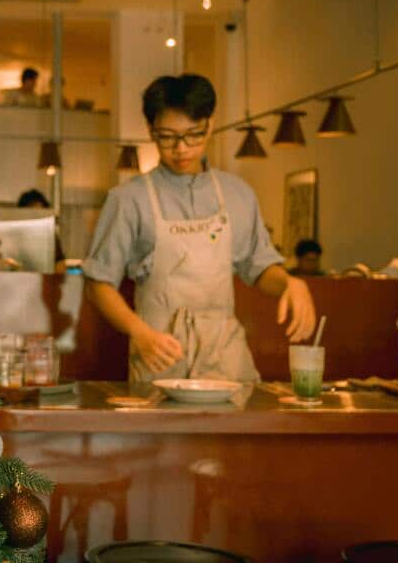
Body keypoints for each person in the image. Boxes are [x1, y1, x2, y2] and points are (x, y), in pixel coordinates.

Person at [82, 74, 318, 382]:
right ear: (151, 131)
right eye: (166, 137)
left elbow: (258, 268)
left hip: (226, 359)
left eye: (193, 134)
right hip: (160, 355)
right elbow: (98, 283)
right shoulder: (128, 199)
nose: (181, 148)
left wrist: (291, 283)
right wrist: (140, 333)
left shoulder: (238, 194)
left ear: (210, 124)